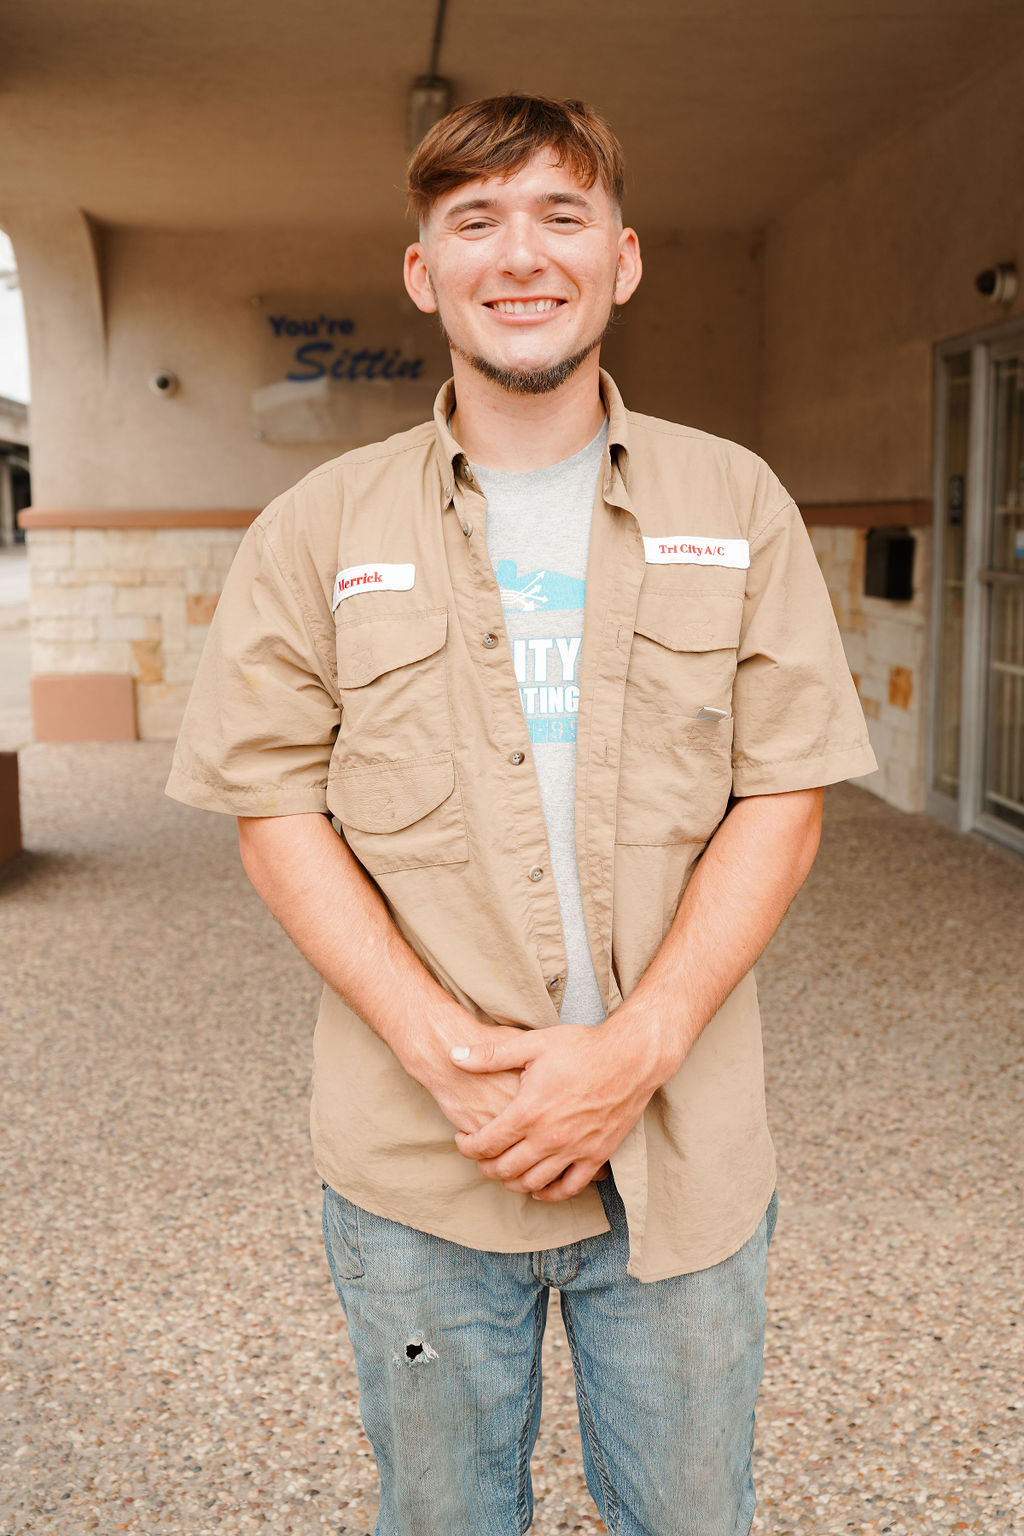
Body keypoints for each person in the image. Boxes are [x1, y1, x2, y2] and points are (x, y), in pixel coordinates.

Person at [166, 93, 877, 1536]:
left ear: (623, 258)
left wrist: (637, 1050)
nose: (521, 254)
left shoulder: (735, 501)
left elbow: (781, 795)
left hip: (677, 1164)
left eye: (562, 215)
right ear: (423, 271)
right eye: (474, 220)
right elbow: (273, 808)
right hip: (425, 1168)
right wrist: (446, 1061)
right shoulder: (318, 530)